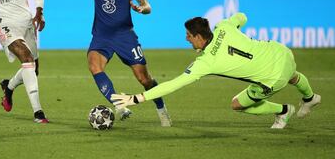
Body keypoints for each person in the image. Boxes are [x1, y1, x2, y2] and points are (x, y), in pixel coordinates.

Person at [13, 0, 171, 126]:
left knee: (144, 79)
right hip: (102, 36)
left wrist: (144, 8)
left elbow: (145, 3)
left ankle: (161, 109)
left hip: (125, 36)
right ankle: (119, 105)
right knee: (94, 65)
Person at [111, 12, 321, 129]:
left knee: (237, 104)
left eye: (188, 35)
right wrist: (237, 26)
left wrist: (138, 98)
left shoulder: (206, 62)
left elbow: (173, 84)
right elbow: (242, 16)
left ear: (199, 37)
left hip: (271, 79)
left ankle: (283, 111)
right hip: (281, 52)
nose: (186, 39)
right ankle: (310, 97)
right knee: (292, 75)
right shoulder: (223, 26)